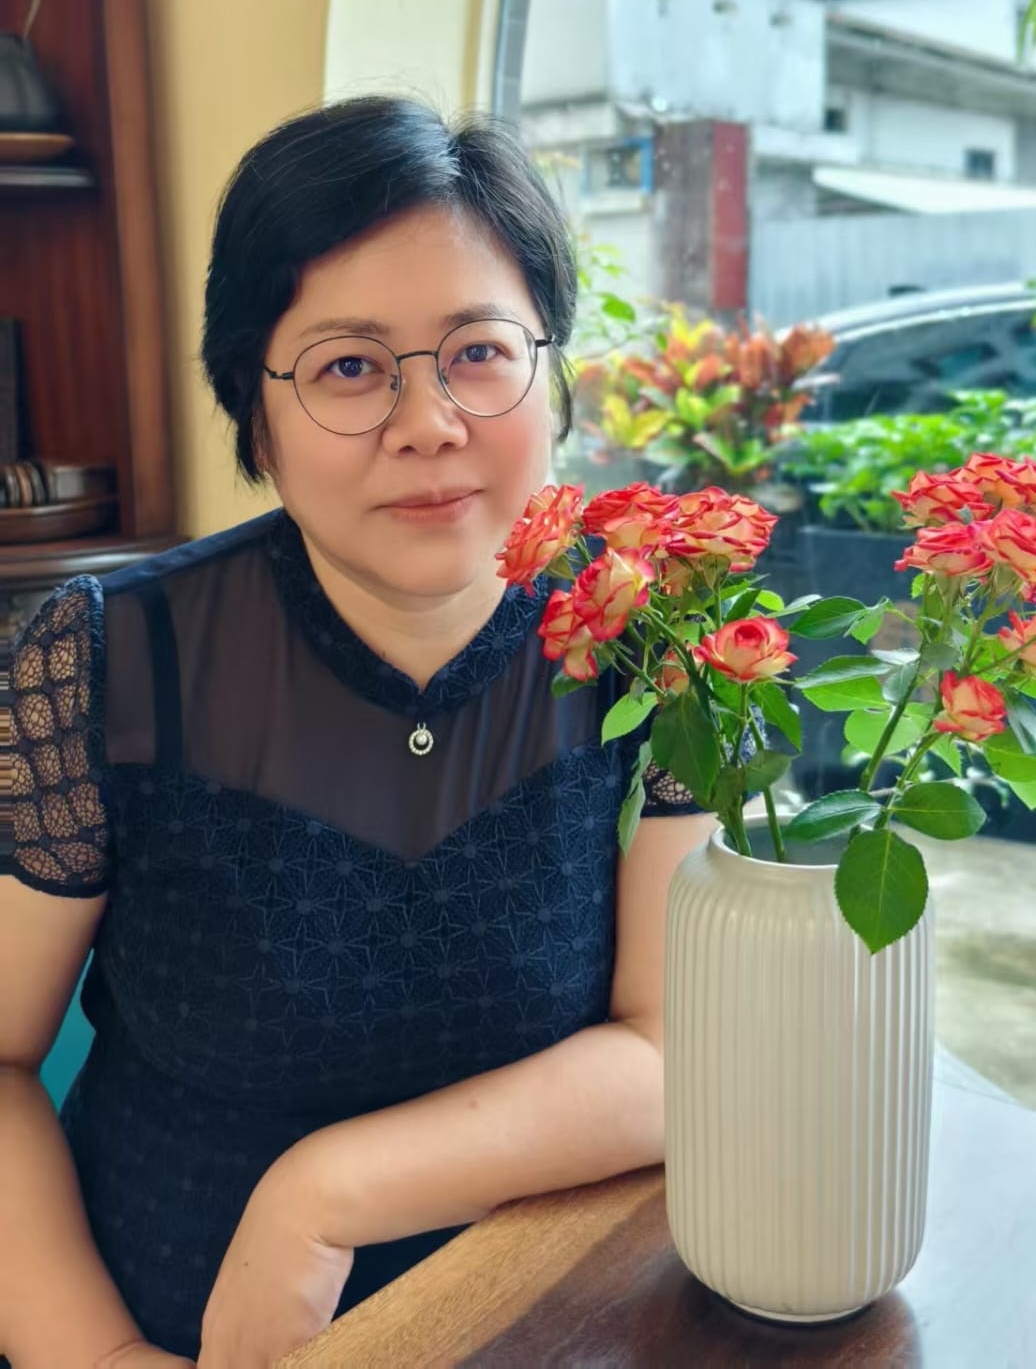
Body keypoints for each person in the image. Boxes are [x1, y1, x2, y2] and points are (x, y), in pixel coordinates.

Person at [0, 96, 715, 1368]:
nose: (428, 421)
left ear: (549, 374)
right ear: (254, 416)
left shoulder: (646, 638)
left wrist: (325, 1192)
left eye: (478, 352)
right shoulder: (105, 662)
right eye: (347, 366)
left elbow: (676, 1053)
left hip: (546, 1321)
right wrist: (99, 1359)